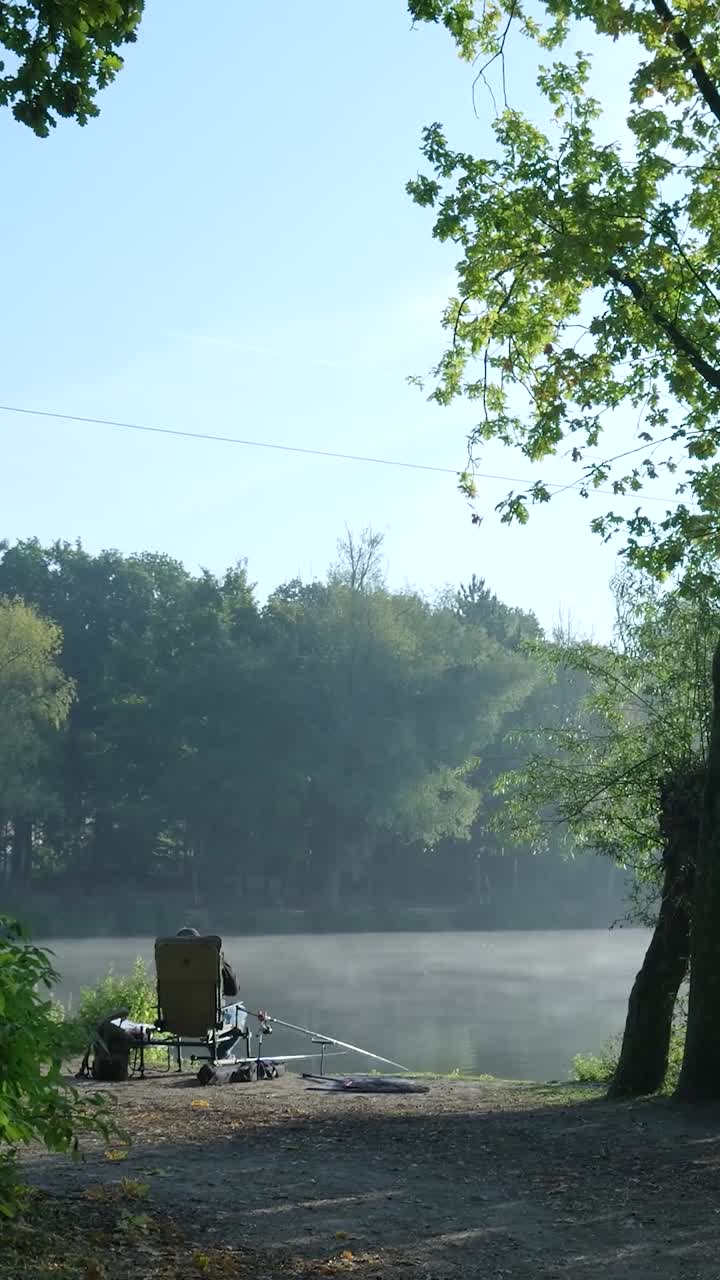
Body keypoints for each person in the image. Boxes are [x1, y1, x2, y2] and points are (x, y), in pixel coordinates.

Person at [175, 927, 238, 1000]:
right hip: (210, 1010)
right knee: (239, 1008)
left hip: (174, 1010)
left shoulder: (167, 964)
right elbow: (233, 990)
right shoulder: (213, 958)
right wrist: (223, 962)